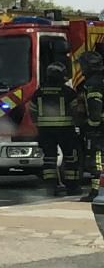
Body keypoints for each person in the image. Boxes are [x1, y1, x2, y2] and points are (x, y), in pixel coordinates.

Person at [32, 61, 81, 197]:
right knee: (71, 158)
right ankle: (72, 187)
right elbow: (75, 111)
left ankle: (51, 186)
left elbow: (32, 111)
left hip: (45, 132)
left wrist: (38, 124)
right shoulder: (68, 92)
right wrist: (78, 125)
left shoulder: (39, 92)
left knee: (49, 159)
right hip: (66, 130)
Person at [74, 50, 104, 201]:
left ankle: (96, 192)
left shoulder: (93, 83)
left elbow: (95, 108)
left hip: (98, 129)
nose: (81, 68)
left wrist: (91, 126)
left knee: (96, 159)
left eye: (82, 65)